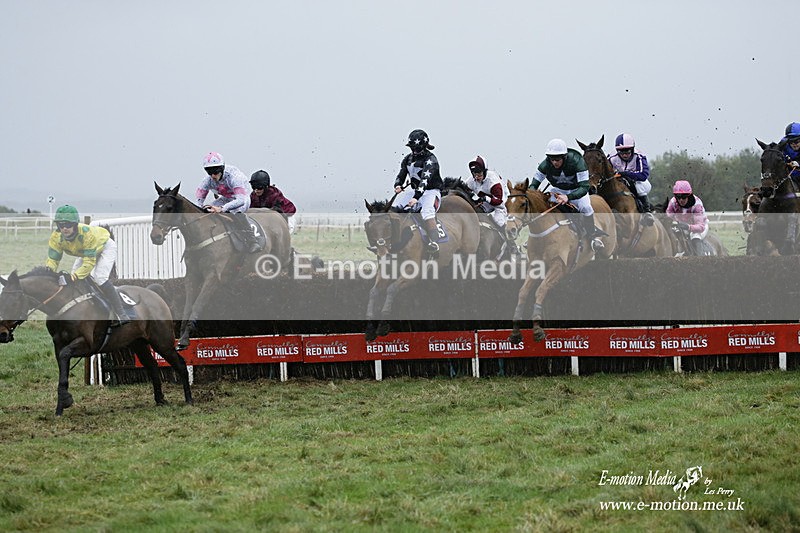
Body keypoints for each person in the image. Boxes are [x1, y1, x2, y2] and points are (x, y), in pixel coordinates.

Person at [45, 205, 131, 326]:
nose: (64, 228)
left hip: (105, 246)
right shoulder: (56, 237)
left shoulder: (86, 235)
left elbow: (89, 263)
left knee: (99, 277)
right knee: (75, 274)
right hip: (86, 251)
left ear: (75, 225)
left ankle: (121, 314)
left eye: (68, 225)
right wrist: (48, 273)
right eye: (61, 225)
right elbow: (53, 259)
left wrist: (73, 277)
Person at [530, 138, 606, 251]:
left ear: (564, 157)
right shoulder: (544, 165)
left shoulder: (578, 162)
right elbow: (533, 186)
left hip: (577, 190)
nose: (554, 162)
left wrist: (568, 197)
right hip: (558, 190)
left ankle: (592, 237)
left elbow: (584, 187)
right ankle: (537, 237)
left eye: (557, 159)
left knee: (586, 208)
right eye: (552, 159)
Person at [391, 129, 444, 254]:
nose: (414, 150)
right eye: (412, 147)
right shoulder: (407, 159)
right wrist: (398, 185)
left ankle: (434, 243)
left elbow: (425, 180)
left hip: (431, 192)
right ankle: (392, 240)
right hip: (415, 191)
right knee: (395, 209)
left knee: (427, 212)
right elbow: (402, 174)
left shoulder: (431, 159)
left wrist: (416, 197)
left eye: (416, 148)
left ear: (424, 146)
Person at [196, 152, 259, 252]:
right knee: (208, 210)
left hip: (242, 198)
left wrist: (222, 209)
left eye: (215, 172)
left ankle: (253, 241)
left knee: (236, 212)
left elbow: (240, 200)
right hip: (226, 198)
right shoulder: (207, 180)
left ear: (221, 169)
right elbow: (199, 200)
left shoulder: (235, 177)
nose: (213, 176)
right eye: (209, 172)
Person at [465, 155, 516, 253]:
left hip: (500, 204)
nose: (476, 177)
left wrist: (485, 198)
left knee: (499, 221)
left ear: (484, 171)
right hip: (485, 203)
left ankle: (512, 245)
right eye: (474, 174)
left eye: (479, 173)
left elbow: (499, 201)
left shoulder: (493, 182)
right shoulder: (471, 181)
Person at [607, 133, 654, 217]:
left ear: (632, 149)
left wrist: (626, 174)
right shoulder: (611, 157)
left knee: (639, 186)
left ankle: (647, 211)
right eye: (621, 152)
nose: (625, 155)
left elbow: (643, 175)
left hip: (639, 182)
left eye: (627, 151)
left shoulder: (639, 156)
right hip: (619, 182)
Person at [665, 180, 709, 256]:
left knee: (695, 236)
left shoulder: (696, 204)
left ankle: (700, 260)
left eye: (684, 196)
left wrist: (688, 226)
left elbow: (701, 227)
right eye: (678, 197)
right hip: (681, 226)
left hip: (699, 227)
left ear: (689, 195)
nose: (681, 200)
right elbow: (668, 218)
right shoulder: (672, 202)